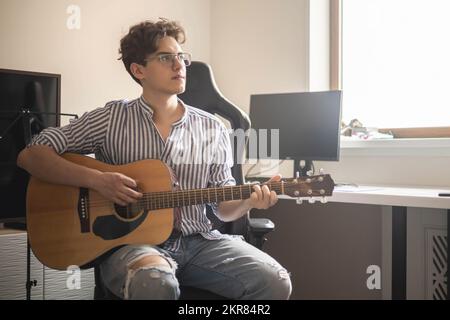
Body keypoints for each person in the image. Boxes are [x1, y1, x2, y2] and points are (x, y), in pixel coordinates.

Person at [17, 18, 292, 300]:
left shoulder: (213, 128)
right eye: (166, 58)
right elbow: (32, 155)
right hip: (133, 246)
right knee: (156, 283)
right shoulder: (111, 118)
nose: (179, 65)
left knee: (276, 282)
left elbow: (223, 209)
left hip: (201, 243)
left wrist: (248, 200)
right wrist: (99, 181)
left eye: (181, 57)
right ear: (139, 70)